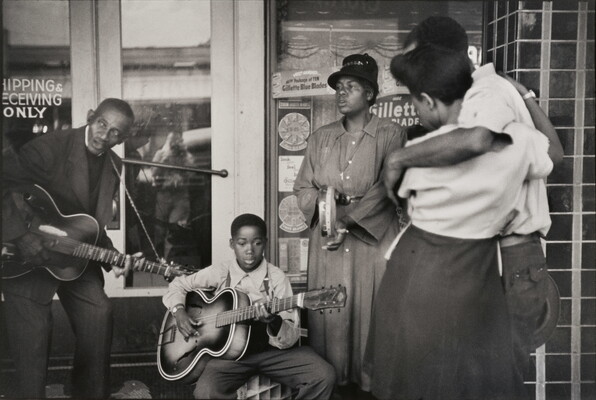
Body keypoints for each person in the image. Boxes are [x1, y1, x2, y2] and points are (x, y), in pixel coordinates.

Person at [381, 16, 564, 385]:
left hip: (502, 260)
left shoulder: (486, 93)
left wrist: (399, 158)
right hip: (503, 260)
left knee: (486, 382)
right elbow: (554, 155)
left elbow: (478, 140)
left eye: (421, 62)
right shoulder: (485, 92)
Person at [1, 98, 137, 398]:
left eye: (115, 132)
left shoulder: (115, 164)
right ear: (90, 117)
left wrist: (111, 256)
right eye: (102, 123)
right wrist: (22, 237)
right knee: (35, 335)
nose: (105, 134)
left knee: (99, 314)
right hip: (25, 255)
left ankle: (84, 391)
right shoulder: (49, 146)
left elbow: (89, 222)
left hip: (71, 256)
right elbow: (6, 187)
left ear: (123, 139)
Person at [293, 53, 406, 393]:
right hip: (327, 236)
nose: (342, 94)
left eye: (352, 87)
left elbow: (389, 186)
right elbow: (302, 187)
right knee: (330, 313)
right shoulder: (320, 137)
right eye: (339, 88)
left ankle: (371, 387)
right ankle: (330, 385)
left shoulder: (390, 133)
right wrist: (327, 209)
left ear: (371, 94)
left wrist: (350, 220)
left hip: (371, 235)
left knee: (370, 307)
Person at [162, 213, 336, 400]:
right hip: (229, 359)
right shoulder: (221, 272)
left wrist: (274, 321)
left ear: (265, 243)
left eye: (257, 243)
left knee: (323, 375)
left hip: (272, 353)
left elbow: (291, 336)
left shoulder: (276, 277)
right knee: (206, 392)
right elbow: (178, 284)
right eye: (242, 243)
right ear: (232, 244)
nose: (249, 250)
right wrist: (179, 311)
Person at [151, 131, 192, 260]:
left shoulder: (185, 155)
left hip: (180, 195)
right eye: (172, 141)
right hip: (163, 194)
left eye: (177, 141)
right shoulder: (160, 154)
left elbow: (192, 173)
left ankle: (171, 259)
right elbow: (153, 173)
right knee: (159, 229)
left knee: (176, 229)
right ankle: (159, 257)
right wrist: (163, 159)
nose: (174, 144)